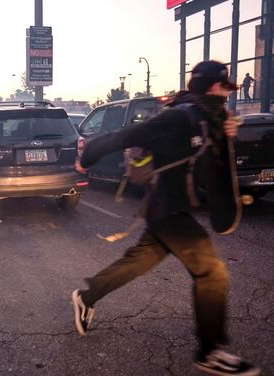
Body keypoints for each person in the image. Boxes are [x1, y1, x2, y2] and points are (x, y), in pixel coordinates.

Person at [71, 61, 260, 376]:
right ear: (212, 87)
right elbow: (126, 134)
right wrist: (86, 158)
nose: (227, 94)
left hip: (174, 208)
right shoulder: (178, 117)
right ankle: (209, 352)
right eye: (224, 87)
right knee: (212, 273)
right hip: (167, 210)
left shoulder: (208, 117)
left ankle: (86, 296)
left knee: (136, 263)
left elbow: (212, 167)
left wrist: (227, 134)